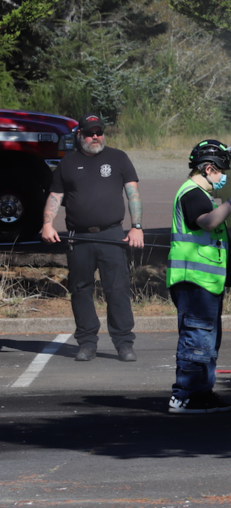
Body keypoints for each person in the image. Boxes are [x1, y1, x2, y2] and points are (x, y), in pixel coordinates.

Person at [166, 140, 231, 414]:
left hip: (204, 281)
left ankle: (201, 393)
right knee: (196, 339)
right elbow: (208, 222)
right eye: (222, 172)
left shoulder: (201, 194)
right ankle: (186, 395)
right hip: (194, 281)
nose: (224, 178)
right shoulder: (193, 193)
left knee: (205, 339)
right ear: (208, 168)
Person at [41, 114, 143, 362]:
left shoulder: (118, 158)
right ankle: (87, 343)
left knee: (117, 290)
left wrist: (136, 226)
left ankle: (124, 343)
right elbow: (55, 195)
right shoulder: (67, 163)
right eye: (89, 133)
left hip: (112, 234)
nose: (95, 137)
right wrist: (47, 224)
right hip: (80, 238)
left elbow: (133, 194)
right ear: (80, 135)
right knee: (80, 290)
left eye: (98, 132)